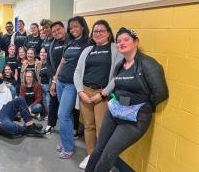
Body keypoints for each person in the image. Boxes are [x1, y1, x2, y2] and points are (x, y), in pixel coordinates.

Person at [85, 27, 168, 172]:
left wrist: (142, 107)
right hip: (115, 112)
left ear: (136, 42)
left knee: (108, 155)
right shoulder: (120, 66)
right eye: (118, 41)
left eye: (126, 39)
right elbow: (116, 88)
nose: (121, 43)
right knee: (99, 148)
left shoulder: (148, 64)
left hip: (134, 119)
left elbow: (160, 93)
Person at [74, 20, 124, 169]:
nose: (98, 33)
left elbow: (118, 75)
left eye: (101, 31)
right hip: (85, 92)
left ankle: (102, 162)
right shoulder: (87, 50)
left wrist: (103, 94)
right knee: (89, 127)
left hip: (102, 94)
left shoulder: (115, 49)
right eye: (95, 31)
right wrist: (80, 91)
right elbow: (77, 72)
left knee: (102, 129)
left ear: (108, 33)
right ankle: (91, 156)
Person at [50, 16, 91, 159]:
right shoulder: (70, 42)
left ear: (83, 27)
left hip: (72, 85)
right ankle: (65, 139)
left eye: (76, 27)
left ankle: (68, 148)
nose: (73, 30)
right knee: (66, 115)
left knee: (62, 115)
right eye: (71, 27)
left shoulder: (88, 43)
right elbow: (63, 61)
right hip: (61, 82)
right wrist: (55, 81)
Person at [45, 21, 68, 134]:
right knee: (53, 101)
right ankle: (50, 123)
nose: (56, 32)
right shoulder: (51, 45)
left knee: (70, 106)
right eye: (54, 31)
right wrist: (53, 77)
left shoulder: (71, 42)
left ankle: (74, 128)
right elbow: (48, 64)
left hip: (69, 80)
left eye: (58, 29)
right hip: (55, 78)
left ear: (64, 28)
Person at [38, 48, 50, 119]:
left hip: (48, 86)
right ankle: (48, 114)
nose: (42, 54)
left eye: (44, 52)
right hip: (41, 86)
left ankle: (50, 115)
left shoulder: (49, 63)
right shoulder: (39, 64)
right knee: (45, 103)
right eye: (41, 52)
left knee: (48, 102)